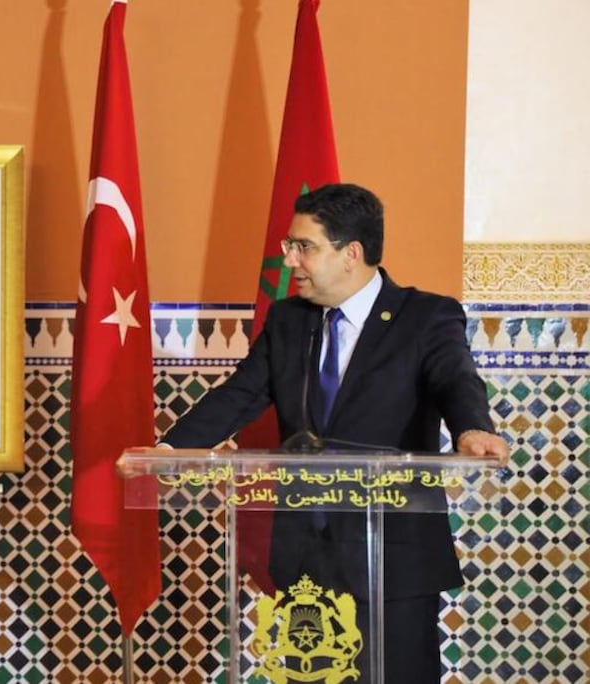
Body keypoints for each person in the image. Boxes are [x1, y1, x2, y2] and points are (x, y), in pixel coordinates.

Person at [160, 183, 507, 682]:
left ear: (352, 254)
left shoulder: (425, 316)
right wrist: (170, 448)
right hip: (306, 555)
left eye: (304, 247)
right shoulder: (287, 320)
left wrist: (473, 428)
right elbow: (241, 394)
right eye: (290, 246)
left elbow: (455, 377)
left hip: (393, 558)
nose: (291, 260)